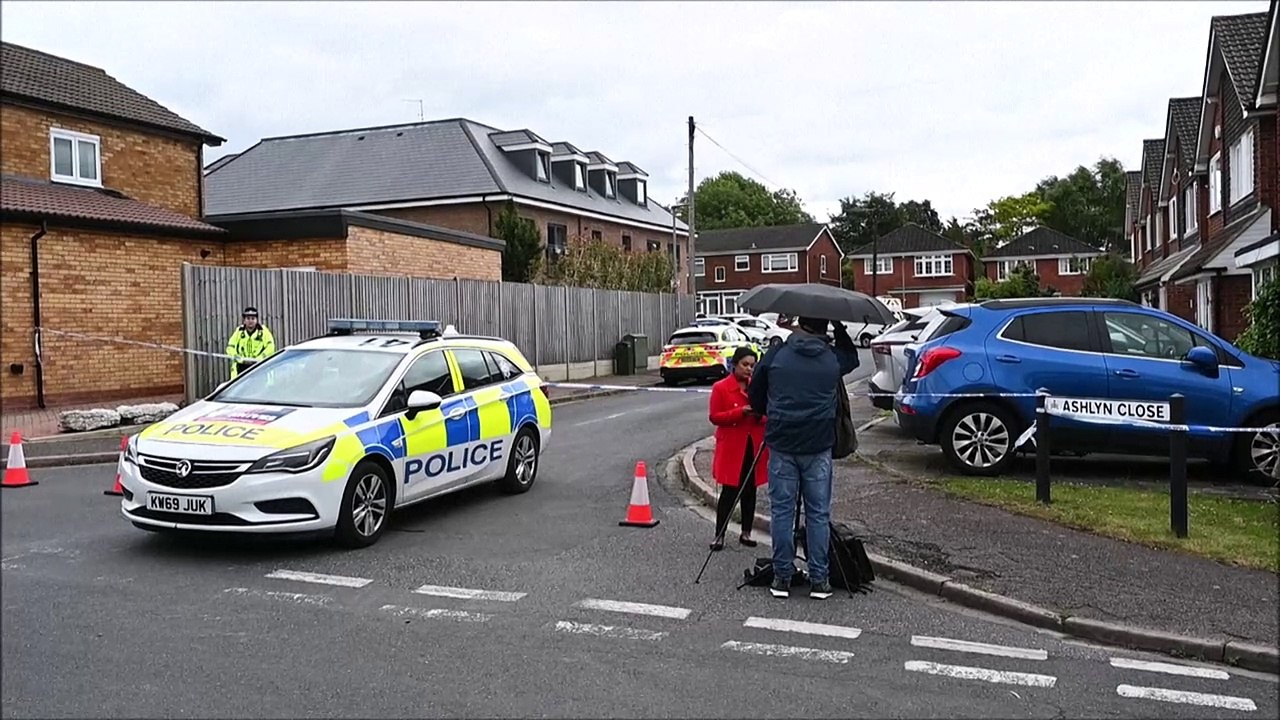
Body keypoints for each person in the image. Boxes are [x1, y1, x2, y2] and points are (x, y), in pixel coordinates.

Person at [748, 317, 859, 599]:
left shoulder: (778, 353)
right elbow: (852, 358)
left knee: (782, 511)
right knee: (818, 513)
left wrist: (771, 411)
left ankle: (782, 577)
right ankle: (819, 580)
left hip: (782, 442)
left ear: (800, 324)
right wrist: (839, 327)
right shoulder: (831, 359)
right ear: (823, 327)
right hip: (818, 444)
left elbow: (755, 393)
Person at [707, 347, 768, 551]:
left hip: (753, 445)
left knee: (750, 490)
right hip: (732, 447)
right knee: (729, 491)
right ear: (735, 364)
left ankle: (746, 531)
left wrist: (759, 416)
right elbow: (715, 417)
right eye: (745, 364)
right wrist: (740, 412)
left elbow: (768, 414)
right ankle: (719, 534)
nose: (749, 369)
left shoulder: (757, 388)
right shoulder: (721, 388)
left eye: (752, 365)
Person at [225, 306, 276, 379]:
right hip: (241, 367)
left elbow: (270, 346)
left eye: (253, 318)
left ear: (256, 320)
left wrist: (260, 358)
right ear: (244, 320)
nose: (250, 321)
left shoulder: (263, 331)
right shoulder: (239, 331)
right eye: (248, 318)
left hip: (258, 365)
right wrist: (238, 358)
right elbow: (230, 347)